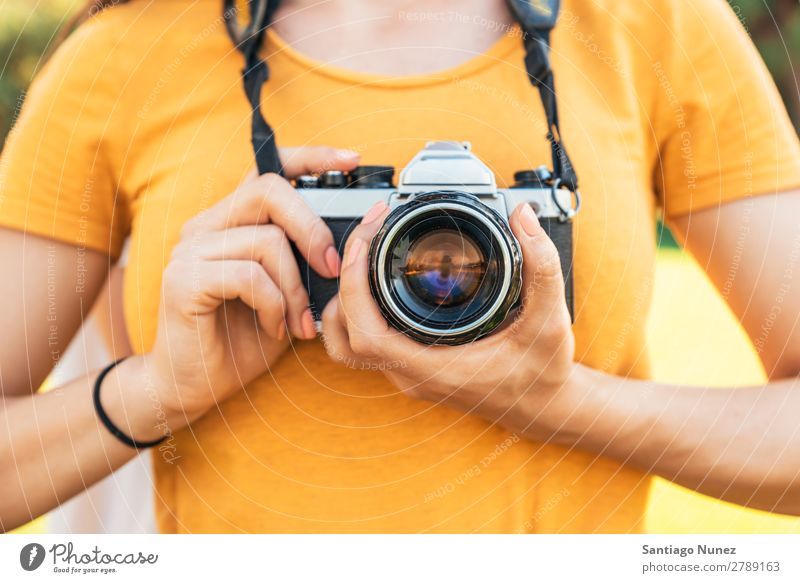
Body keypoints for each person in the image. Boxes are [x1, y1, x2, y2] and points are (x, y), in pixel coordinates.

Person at [0, 0, 798, 534]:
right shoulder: (126, 52)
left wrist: (563, 403)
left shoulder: (654, 24)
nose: (435, 274)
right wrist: (156, 390)